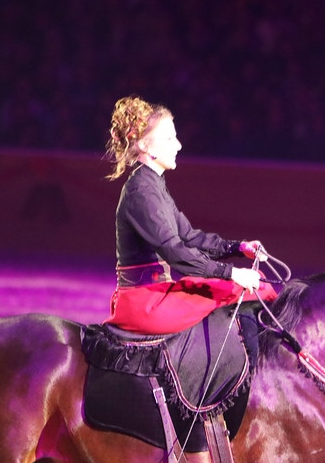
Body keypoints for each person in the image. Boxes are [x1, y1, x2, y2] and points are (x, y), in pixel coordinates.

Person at [103, 96, 276, 335]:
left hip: (158, 295)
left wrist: (239, 248)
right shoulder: (141, 191)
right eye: (169, 138)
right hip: (146, 303)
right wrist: (233, 273)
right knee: (251, 289)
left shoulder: (153, 185)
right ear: (144, 146)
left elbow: (190, 237)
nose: (179, 145)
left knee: (257, 282)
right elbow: (175, 252)